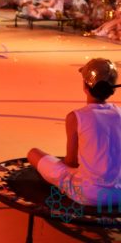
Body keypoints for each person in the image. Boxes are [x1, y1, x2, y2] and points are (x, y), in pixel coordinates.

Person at [28, 58, 121, 206]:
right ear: (113, 89)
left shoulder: (77, 117)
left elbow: (71, 162)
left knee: (33, 154)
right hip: (119, 192)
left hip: (89, 193)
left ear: (85, 85)